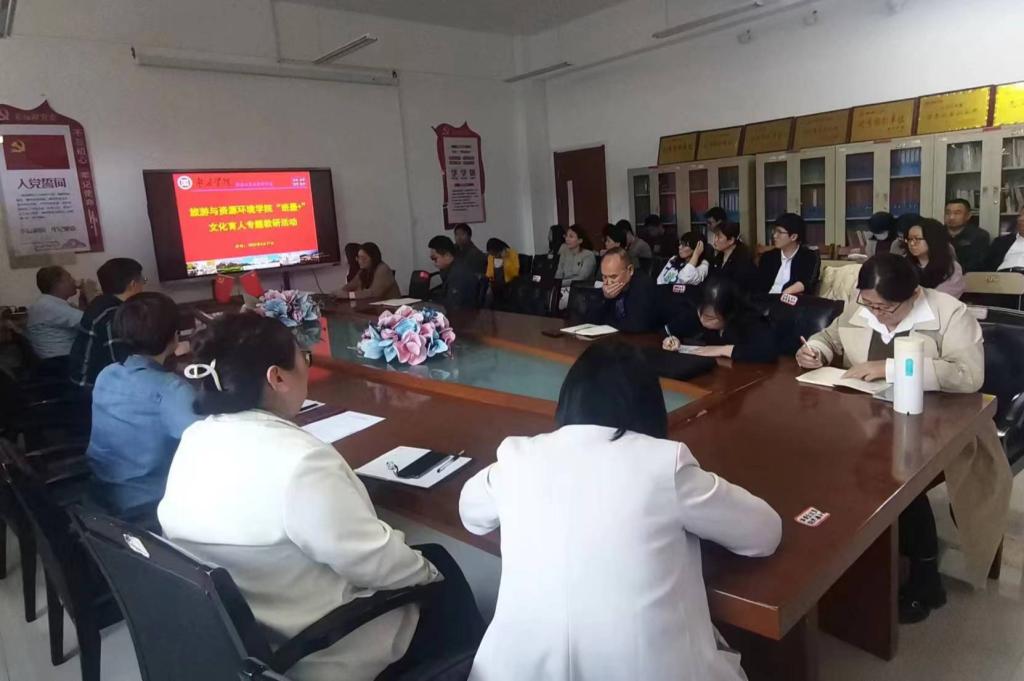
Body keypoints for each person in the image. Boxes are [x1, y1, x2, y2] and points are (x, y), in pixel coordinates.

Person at [159, 313, 484, 681]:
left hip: (246, 632)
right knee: (438, 568)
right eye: (303, 357)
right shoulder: (301, 462)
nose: (306, 365)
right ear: (277, 377)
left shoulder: (196, 438)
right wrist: (429, 574)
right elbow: (371, 560)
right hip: (312, 645)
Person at [459, 340, 781, 681]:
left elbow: (471, 514)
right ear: (649, 407)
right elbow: (764, 533)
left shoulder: (518, 457)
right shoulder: (663, 464)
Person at [796, 254, 1011, 623]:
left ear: (914, 294)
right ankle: (849, 563)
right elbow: (831, 335)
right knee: (834, 465)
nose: (877, 314)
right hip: (869, 421)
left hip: (940, 424)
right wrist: (816, 350)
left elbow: (968, 375)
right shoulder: (864, 304)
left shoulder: (949, 313)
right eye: (870, 305)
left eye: (886, 307)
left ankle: (925, 578)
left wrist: (888, 367)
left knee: (897, 480)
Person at [86, 292, 199, 520]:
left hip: (101, 489)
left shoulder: (107, 374)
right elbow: (212, 443)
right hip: (147, 502)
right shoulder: (171, 390)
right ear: (175, 336)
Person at [69, 257, 146, 388]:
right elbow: (121, 363)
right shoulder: (113, 315)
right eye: (143, 281)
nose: (143, 286)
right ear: (133, 284)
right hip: (92, 386)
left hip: (83, 379)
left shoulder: (100, 303)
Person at [663, 277, 777, 362]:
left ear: (729, 313)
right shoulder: (698, 312)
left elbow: (767, 351)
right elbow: (668, 331)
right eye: (700, 313)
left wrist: (723, 350)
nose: (702, 320)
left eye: (711, 318)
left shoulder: (748, 319)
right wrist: (671, 340)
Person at [25, 266, 99, 375]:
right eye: (69, 278)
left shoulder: (47, 304)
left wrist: (83, 304)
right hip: (62, 364)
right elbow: (95, 323)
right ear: (58, 284)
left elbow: (83, 320)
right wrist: (92, 296)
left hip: (58, 362)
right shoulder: (49, 306)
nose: (74, 281)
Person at [584, 248, 660, 333]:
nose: (608, 282)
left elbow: (636, 326)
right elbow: (590, 321)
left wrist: (606, 322)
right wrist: (605, 298)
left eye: (613, 277)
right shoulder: (606, 287)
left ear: (630, 270)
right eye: (604, 277)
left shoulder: (643, 284)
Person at [757, 213, 820, 296]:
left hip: (790, 301)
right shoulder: (768, 257)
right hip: (765, 301)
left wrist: (784, 295)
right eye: (774, 231)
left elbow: (807, 282)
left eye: (779, 232)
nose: (774, 236)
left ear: (793, 237)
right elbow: (759, 286)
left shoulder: (809, 257)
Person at [904, 218, 965, 298]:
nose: (912, 243)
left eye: (917, 239)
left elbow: (944, 298)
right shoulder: (903, 265)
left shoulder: (951, 267)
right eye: (909, 239)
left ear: (932, 239)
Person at [428, 235, 480, 311]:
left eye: (435, 258)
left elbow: (453, 306)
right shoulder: (453, 268)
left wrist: (429, 304)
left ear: (447, 255)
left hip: (463, 315)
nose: (434, 263)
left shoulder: (459, 275)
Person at [554, 225, 597, 310]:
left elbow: (582, 277)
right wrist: (555, 285)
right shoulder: (564, 253)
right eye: (566, 236)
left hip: (581, 290)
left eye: (571, 236)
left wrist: (561, 283)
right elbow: (559, 273)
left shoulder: (588, 255)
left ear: (580, 240)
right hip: (564, 287)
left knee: (557, 303)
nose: (567, 239)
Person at [709, 221, 758, 293]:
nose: (715, 240)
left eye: (719, 237)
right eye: (715, 236)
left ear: (731, 240)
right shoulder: (718, 257)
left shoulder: (742, 260)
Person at [945, 199, 990, 273]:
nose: (951, 217)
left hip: (968, 276)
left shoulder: (979, 235)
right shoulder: (937, 233)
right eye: (947, 213)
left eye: (957, 213)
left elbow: (977, 264)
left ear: (968, 216)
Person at [985, 206, 1024, 271]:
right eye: (1020, 215)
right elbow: (986, 266)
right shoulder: (1001, 241)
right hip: (1002, 275)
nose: (1020, 219)